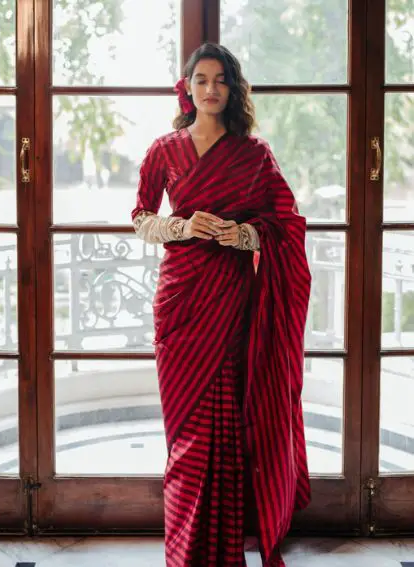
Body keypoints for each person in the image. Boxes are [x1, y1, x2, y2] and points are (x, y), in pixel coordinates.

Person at [131, 42, 311, 567]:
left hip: (231, 302)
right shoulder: (163, 149)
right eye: (201, 79)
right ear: (185, 86)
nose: (210, 89)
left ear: (232, 89)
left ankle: (225, 547)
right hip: (180, 300)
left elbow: (286, 225)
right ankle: (185, 551)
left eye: (220, 80)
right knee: (186, 430)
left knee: (225, 425)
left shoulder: (254, 155)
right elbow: (140, 217)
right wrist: (181, 227)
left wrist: (241, 235)